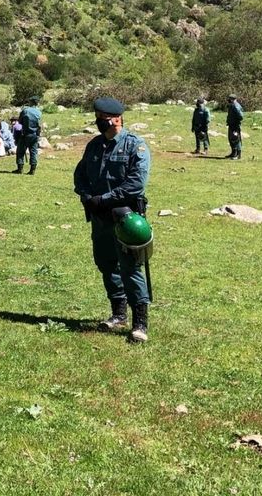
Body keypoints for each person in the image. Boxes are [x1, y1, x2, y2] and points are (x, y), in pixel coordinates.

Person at [74, 97, 152, 343]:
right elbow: (81, 174)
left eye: (102, 119)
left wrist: (104, 198)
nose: (99, 122)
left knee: (130, 268)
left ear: (116, 119)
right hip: (99, 218)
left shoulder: (134, 146)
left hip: (125, 218)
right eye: (97, 118)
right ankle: (118, 314)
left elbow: (135, 184)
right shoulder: (95, 145)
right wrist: (86, 196)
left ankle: (140, 322)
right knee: (106, 264)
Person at [13, 95, 42, 175]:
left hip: (25, 134)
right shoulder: (39, 112)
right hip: (34, 135)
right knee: (33, 152)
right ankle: (32, 170)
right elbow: (39, 125)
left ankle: (20, 169)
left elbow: (20, 122)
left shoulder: (25, 111)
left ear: (31, 102)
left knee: (20, 151)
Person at [226, 95, 243, 160]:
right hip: (231, 124)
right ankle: (233, 153)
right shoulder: (232, 105)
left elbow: (240, 116)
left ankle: (238, 155)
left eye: (229, 99)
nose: (228, 100)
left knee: (236, 139)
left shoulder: (236, 106)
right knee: (231, 139)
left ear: (233, 99)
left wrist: (236, 121)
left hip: (235, 125)